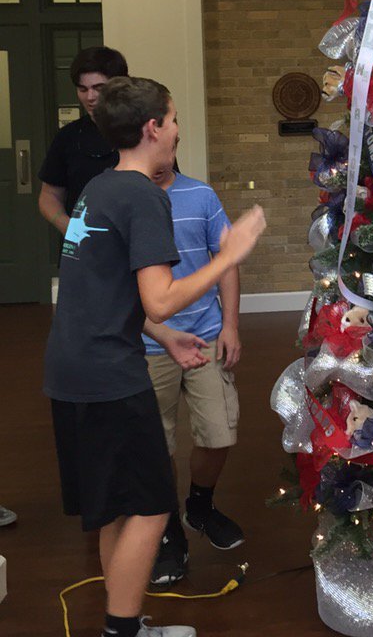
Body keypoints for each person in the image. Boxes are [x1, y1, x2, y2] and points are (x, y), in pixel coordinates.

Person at [43, 77, 266, 637]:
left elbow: (105, 290)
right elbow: (161, 297)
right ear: (152, 128)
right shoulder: (144, 196)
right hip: (109, 377)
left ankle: (125, 625)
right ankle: (122, 631)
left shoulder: (98, 188)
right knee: (149, 506)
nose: (176, 130)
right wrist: (229, 255)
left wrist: (164, 338)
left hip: (71, 371)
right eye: (172, 120)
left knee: (120, 508)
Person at [143, 164, 244, 587]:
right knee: (155, 445)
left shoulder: (201, 196)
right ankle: (169, 530)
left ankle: (199, 506)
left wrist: (231, 325)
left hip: (205, 336)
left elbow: (227, 262)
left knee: (219, 433)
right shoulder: (123, 197)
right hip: (149, 343)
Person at [38, 45, 128, 236]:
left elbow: (170, 187)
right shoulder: (67, 137)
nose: (90, 97)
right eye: (82, 89)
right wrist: (67, 226)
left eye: (99, 88)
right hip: (82, 241)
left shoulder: (142, 131)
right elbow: (49, 195)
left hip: (134, 241)